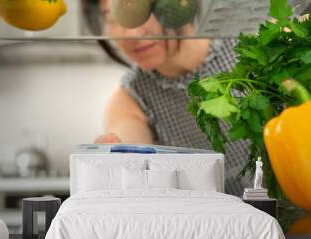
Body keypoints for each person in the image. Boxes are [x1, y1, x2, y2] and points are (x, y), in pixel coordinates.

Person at [81, 0, 250, 196]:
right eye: (113, 17)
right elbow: (130, 150)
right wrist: (119, 156)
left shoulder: (246, 42)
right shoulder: (131, 99)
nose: (132, 34)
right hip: (221, 224)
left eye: (144, 11)